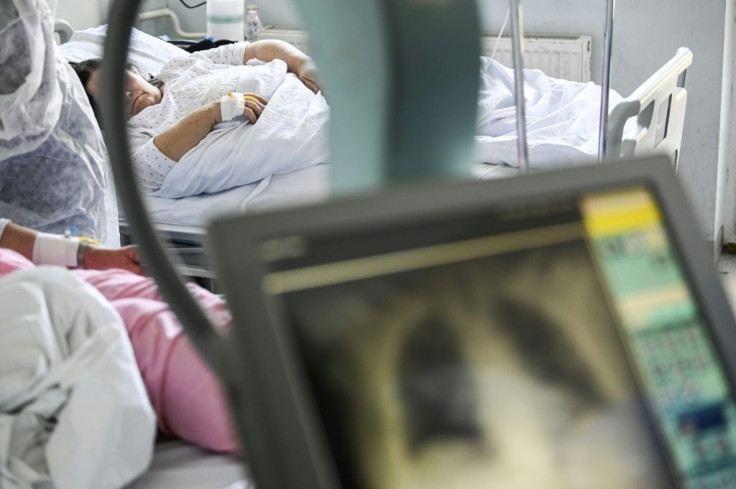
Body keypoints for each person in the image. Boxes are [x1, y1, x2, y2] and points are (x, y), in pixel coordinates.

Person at [0, 218, 238, 454]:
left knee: (187, 302)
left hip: (24, 273)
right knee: (145, 332)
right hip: (14, 306)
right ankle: (264, 419)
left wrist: (90, 255)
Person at [72, 39, 327, 195]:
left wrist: (303, 64)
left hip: (305, 88)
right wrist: (213, 112)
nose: (124, 94)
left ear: (133, 69)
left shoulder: (178, 67)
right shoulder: (133, 134)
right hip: (289, 119)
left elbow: (254, 49)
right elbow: (146, 174)